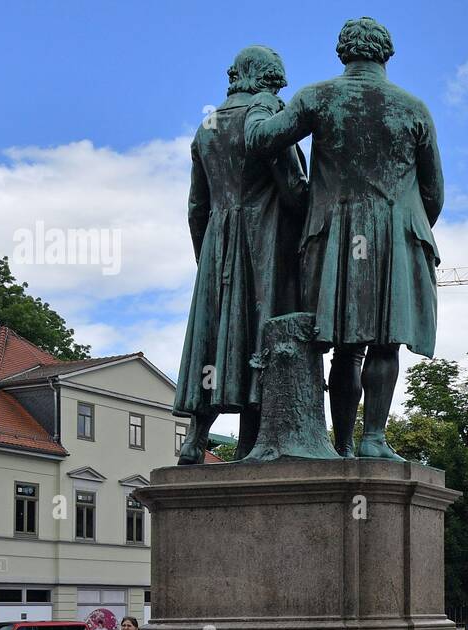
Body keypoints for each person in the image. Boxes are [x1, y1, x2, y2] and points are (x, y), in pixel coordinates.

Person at [247, 17, 444, 460]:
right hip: (398, 236)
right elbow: (434, 192)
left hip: (336, 237)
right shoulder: (414, 108)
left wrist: (261, 102)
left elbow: (261, 140)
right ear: (386, 54)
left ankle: (340, 445)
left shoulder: (316, 96)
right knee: (386, 341)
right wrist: (402, 228)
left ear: (343, 52)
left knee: (345, 347)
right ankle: (373, 437)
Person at [176, 45, 309, 462]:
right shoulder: (268, 121)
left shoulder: (207, 127)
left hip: (217, 241)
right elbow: (292, 190)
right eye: (276, 83)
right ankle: (250, 445)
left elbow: (197, 207)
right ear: (267, 80)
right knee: (259, 332)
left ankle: (196, 439)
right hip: (264, 242)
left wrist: (208, 257)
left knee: (213, 339)